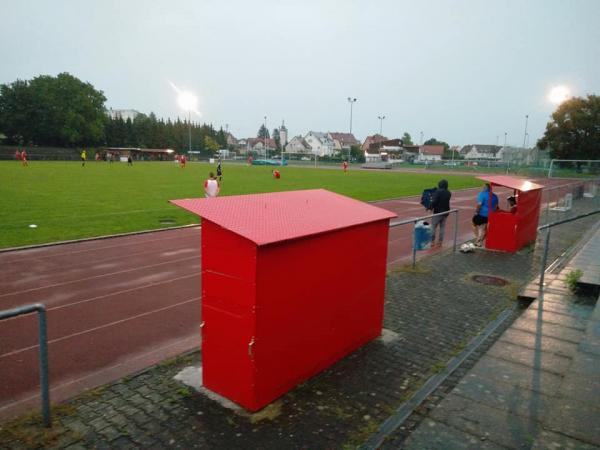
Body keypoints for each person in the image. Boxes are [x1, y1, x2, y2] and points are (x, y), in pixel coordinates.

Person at [429, 179, 451, 247]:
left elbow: (434, 201)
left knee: (433, 227)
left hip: (438, 212)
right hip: (446, 212)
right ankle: (440, 241)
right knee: (442, 227)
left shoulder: (438, 191)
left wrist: (430, 207)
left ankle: (432, 241)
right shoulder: (448, 192)